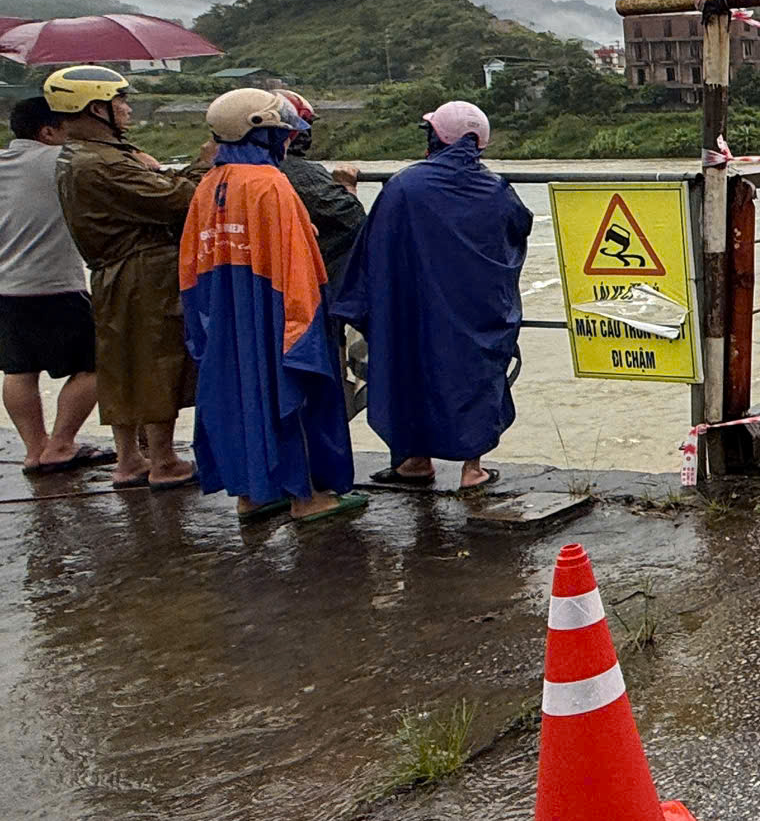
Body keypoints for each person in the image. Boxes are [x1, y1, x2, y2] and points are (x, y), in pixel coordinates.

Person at [179, 91, 365, 525]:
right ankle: (307, 498)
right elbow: (298, 265)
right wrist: (304, 329)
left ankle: (252, 495)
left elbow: (190, 262)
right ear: (263, 133)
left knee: (239, 396)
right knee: (293, 395)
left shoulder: (210, 184)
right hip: (277, 307)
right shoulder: (270, 184)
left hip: (224, 311)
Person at [334, 101, 531, 491]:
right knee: (477, 376)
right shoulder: (495, 188)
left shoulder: (404, 186)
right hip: (478, 307)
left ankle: (414, 460)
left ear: (436, 137)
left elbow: (373, 247)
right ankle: (471, 469)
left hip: (413, 307)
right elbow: (518, 227)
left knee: (408, 370)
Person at [49, 64, 206, 489]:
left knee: (121, 363)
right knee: (156, 360)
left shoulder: (85, 157)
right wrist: (202, 164)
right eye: (119, 102)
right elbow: (179, 200)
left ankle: (129, 458)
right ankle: (164, 461)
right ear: (96, 108)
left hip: (114, 272)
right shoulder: (105, 164)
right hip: (143, 272)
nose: (127, 109)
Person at [0, 95, 108, 474]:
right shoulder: (60, 161)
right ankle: (62, 444)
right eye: (67, 127)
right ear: (48, 131)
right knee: (99, 364)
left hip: (7, 287)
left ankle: (35, 450)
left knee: (19, 370)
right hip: (54, 284)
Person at [274, 89, 365, 285]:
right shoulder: (304, 175)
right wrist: (347, 187)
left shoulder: (218, 175)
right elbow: (352, 219)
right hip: (308, 280)